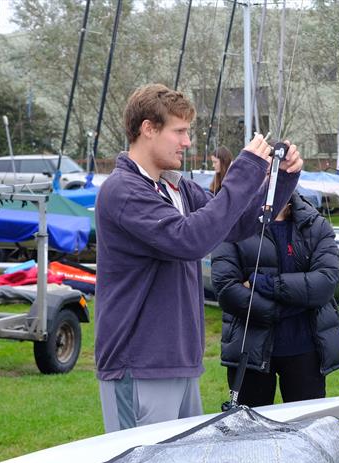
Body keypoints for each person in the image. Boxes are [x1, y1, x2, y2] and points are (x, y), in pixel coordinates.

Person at [95, 83, 302, 432]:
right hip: (139, 364)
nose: (187, 142)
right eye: (179, 131)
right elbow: (189, 240)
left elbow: (235, 226)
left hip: (179, 361)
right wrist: (246, 167)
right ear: (148, 129)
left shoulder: (175, 187)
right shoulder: (123, 191)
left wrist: (282, 179)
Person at [211, 191, 339, 407]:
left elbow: (325, 282)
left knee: (306, 429)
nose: (272, 174)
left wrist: (259, 281)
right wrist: (286, 309)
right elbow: (227, 288)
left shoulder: (315, 224)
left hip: (305, 351)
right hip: (250, 350)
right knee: (250, 432)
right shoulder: (235, 224)